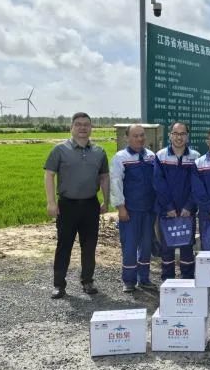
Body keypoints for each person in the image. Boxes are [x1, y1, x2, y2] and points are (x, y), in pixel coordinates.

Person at [44, 112, 109, 299]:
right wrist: (51, 202)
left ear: (91, 128)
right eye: (78, 124)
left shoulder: (99, 152)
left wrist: (106, 200)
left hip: (90, 205)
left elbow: (104, 177)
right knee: (64, 245)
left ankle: (87, 281)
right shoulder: (59, 150)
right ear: (71, 128)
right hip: (67, 205)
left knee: (89, 246)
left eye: (86, 125)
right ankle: (59, 285)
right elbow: (49, 175)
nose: (82, 128)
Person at [110, 124, 156, 293]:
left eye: (142, 135)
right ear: (126, 138)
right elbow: (115, 183)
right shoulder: (120, 157)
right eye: (135, 136)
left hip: (149, 210)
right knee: (129, 246)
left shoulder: (151, 156)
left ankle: (144, 278)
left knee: (146, 245)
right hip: (130, 210)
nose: (139, 139)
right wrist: (120, 207)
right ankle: (129, 280)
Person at [154, 121, 200, 281]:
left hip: (187, 211)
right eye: (175, 134)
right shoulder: (161, 156)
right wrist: (168, 207)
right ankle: (168, 282)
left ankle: (187, 280)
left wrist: (189, 206)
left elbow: (197, 185)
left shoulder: (195, 157)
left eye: (182, 134)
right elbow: (158, 183)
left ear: (187, 136)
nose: (179, 137)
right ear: (170, 135)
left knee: (187, 248)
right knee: (167, 248)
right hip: (167, 211)